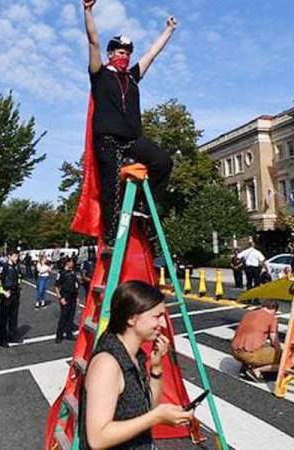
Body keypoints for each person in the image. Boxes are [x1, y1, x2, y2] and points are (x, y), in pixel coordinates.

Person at [83, 0, 176, 245]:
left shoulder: (132, 77)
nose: (125, 56)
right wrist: (88, 11)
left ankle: (144, 205)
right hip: (108, 141)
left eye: (127, 53)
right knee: (111, 190)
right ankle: (112, 237)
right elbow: (93, 41)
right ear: (111, 54)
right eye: (120, 53)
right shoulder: (99, 74)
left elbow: (152, 54)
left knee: (164, 162)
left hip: (133, 140)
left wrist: (169, 30)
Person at [82, 281, 193, 449]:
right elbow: (98, 438)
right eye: (157, 316)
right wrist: (156, 417)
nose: (163, 324)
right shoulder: (107, 364)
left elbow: (148, 407)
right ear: (132, 318)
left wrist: (156, 368)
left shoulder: (135, 355)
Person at [231, 300, 281, 382]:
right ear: (274, 310)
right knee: (285, 360)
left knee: (264, 346)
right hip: (248, 354)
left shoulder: (249, 314)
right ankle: (256, 371)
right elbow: (274, 339)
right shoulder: (272, 318)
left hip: (234, 350)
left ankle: (246, 365)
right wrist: (279, 351)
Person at [0, 250, 22, 347]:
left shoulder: (16, 266)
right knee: (4, 317)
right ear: (9, 256)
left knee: (13, 316)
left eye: (17, 256)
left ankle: (12, 335)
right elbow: (0, 280)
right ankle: (3, 339)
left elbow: (19, 278)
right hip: (7, 292)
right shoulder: (4, 267)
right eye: (14, 256)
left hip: (15, 292)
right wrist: (3, 292)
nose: (16, 258)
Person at [54, 258, 80, 343]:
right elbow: (56, 286)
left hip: (73, 296)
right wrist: (60, 298)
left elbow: (75, 285)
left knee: (71, 317)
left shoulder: (72, 272)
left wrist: (77, 297)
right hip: (65, 297)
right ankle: (59, 335)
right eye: (71, 262)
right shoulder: (62, 273)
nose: (73, 264)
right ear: (67, 263)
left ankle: (69, 334)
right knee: (63, 317)